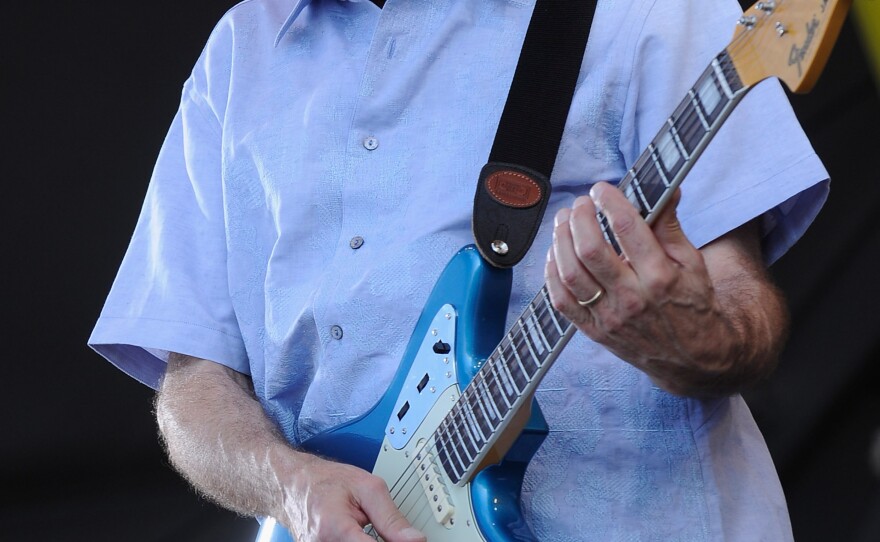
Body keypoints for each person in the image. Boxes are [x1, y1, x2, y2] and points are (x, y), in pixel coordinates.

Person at [89, 0, 830, 540]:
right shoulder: (240, 50)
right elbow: (194, 381)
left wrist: (693, 337)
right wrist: (291, 487)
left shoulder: (641, 12)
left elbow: (739, 305)